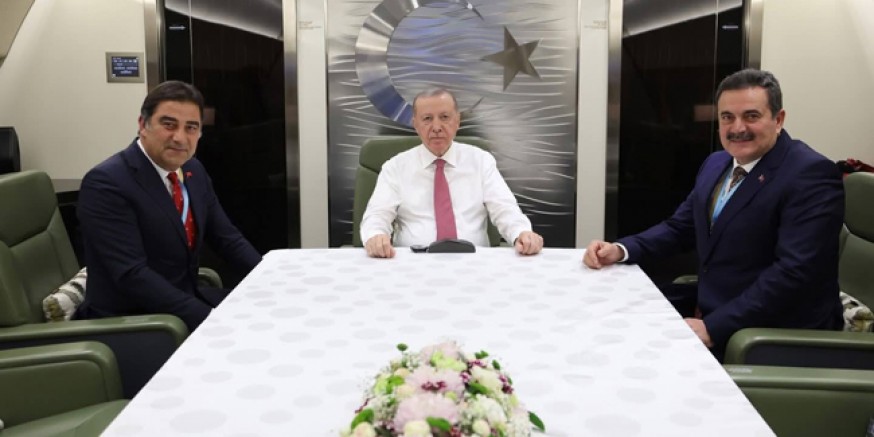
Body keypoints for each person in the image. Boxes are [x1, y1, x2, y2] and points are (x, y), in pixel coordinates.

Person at [583, 69, 844, 359]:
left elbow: (794, 273)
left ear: (778, 119)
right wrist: (621, 249)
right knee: (601, 320)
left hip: (767, 334)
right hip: (712, 306)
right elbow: (681, 228)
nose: (738, 128)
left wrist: (713, 327)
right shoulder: (717, 163)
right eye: (727, 117)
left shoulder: (810, 174)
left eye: (751, 116)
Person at [76, 81, 262, 332]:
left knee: (269, 313)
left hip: (184, 300)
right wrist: (210, 319)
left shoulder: (192, 169)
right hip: (135, 321)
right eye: (169, 124)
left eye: (191, 128)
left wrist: (268, 278)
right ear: (143, 125)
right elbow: (132, 275)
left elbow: (227, 238)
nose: (180, 138)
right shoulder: (107, 183)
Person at [360, 88, 544, 258]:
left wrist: (521, 233)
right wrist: (376, 236)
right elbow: (377, 216)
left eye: (445, 117)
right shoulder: (395, 167)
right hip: (414, 261)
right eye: (427, 119)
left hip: (473, 261)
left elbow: (505, 209)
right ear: (415, 124)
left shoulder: (481, 161)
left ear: (457, 121)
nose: (436, 127)